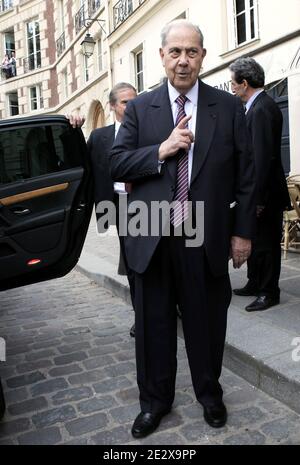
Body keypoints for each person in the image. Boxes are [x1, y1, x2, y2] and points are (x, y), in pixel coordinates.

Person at [110, 19, 256, 438]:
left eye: (191, 52)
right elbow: (117, 163)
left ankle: (210, 395)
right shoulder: (140, 108)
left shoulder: (227, 107)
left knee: (206, 323)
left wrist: (242, 233)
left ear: (203, 57)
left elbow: (247, 176)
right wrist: (160, 150)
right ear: (161, 56)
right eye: (175, 52)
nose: (183, 61)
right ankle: (154, 402)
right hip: (152, 236)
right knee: (153, 326)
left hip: (203, 236)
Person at [70, 83, 137, 337]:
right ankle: (141, 315)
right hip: (118, 205)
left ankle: (167, 304)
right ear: (112, 106)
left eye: (135, 101)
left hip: (149, 204)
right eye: (125, 103)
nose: (131, 107)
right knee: (132, 264)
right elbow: (81, 166)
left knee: (157, 259)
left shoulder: (148, 131)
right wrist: (72, 127)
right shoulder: (99, 138)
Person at [230, 57, 291, 312]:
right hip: (258, 192)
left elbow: (262, 159)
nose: (232, 88)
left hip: (265, 194)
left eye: (234, 83)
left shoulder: (262, 108)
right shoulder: (255, 107)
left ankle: (269, 291)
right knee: (255, 241)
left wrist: (258, 200)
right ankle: (254, 283)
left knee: (266, 245)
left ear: (244, 84)